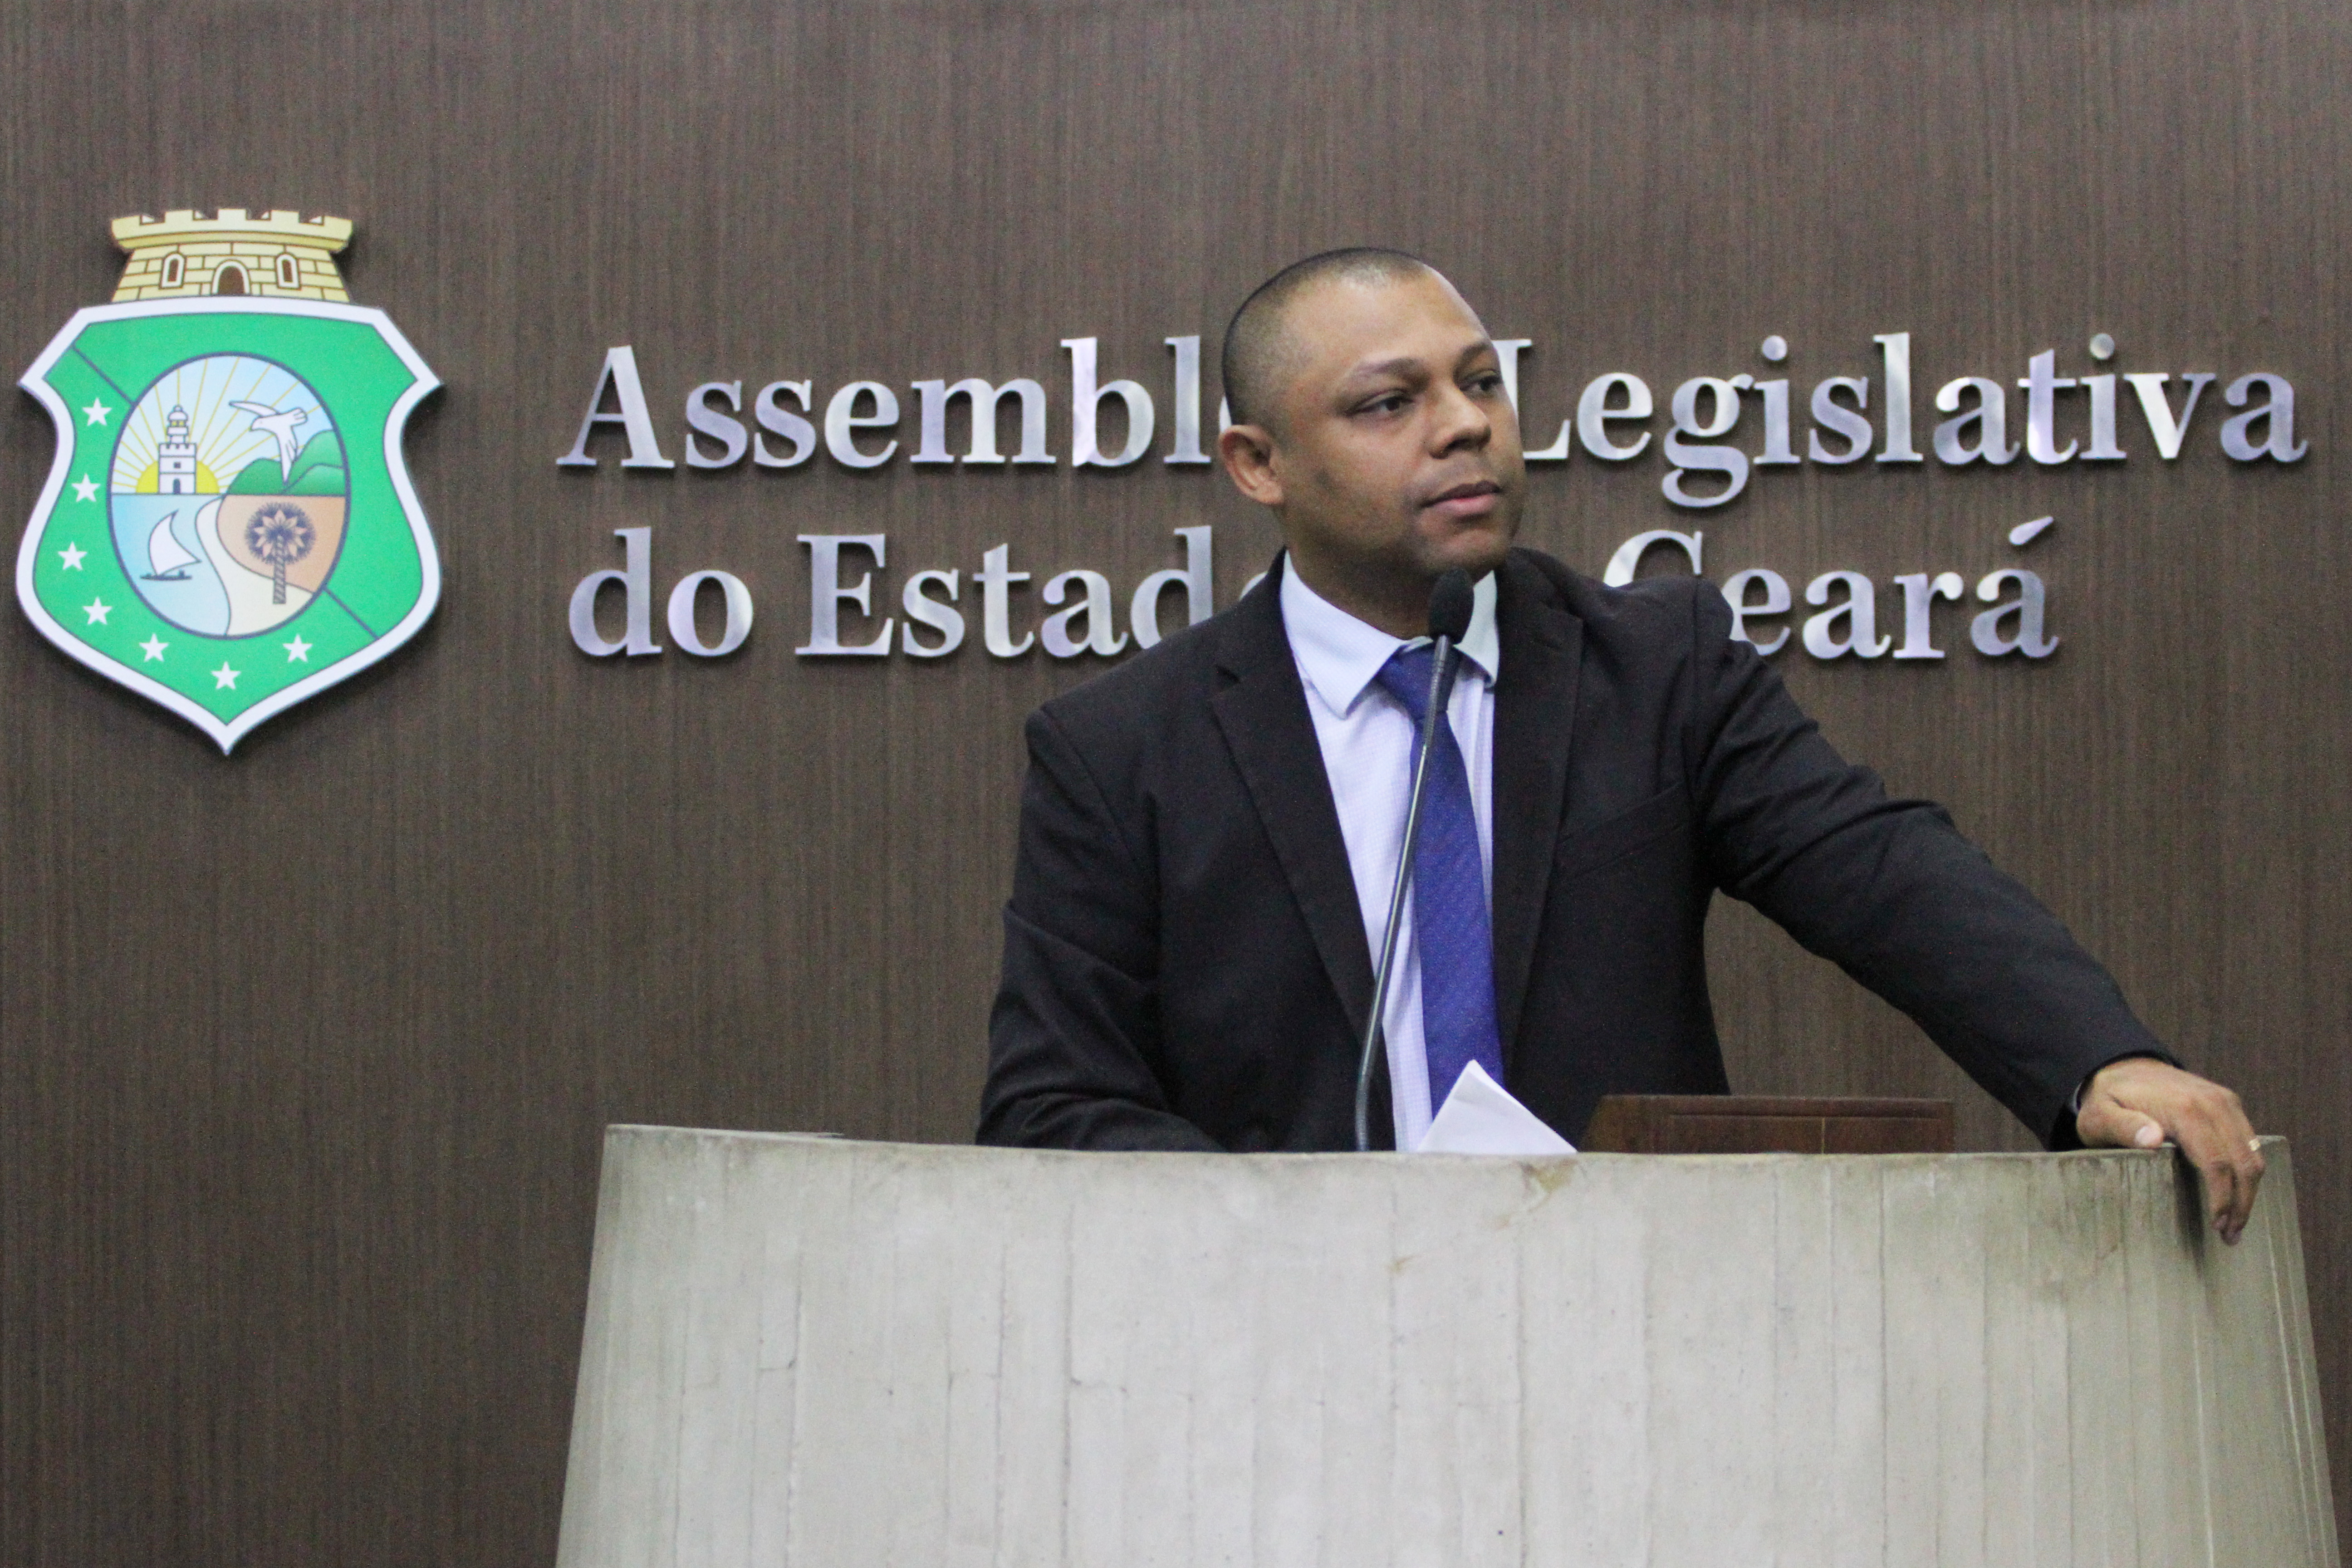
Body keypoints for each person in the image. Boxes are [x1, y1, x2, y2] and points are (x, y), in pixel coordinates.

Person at [978, 248, 2265, 1243]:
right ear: (1257, 463)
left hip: (1638, 1343)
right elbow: (1054, 1108)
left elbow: (1879, 869)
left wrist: (2095, 1059)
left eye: (1482, 381)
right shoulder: (1121, 751)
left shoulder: (1656, 669)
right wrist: (1306, 1244)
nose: (1464, 425)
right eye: (1389, 403)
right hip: (1281, 1378)